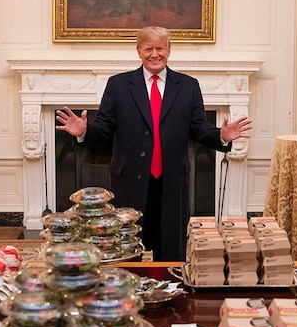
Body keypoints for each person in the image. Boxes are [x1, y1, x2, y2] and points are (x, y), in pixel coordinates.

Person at [55, 26, 252, 261]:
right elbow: (105, 127)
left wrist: (221, 135)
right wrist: (84, 130)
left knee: (171, 247)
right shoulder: (118, 85)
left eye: (160, 48)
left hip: (172, 181)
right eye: (149, 48)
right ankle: (131, 291)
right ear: (139, 51)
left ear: (169, 50)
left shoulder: (188, 86)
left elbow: (198, 127)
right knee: (128, 246)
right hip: (129, 180)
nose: (155, 54)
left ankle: (169, 288)